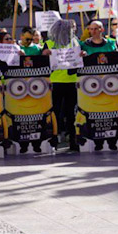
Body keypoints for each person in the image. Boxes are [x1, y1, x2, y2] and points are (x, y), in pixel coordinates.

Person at [42, 18, 81, 152]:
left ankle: (73, 140)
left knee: (72, 113)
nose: (75, 29)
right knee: (55, 112)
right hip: (55, 82)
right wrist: (44, 54)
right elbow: (42, 62)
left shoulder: (75, 41)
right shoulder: (49, 43)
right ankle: (54, 139)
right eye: (73, 27)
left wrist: (83, 55)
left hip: (72, 81)